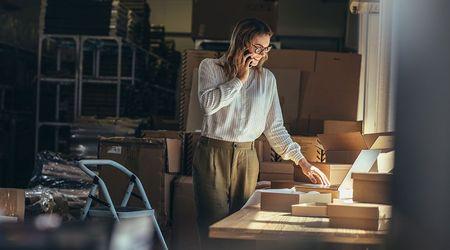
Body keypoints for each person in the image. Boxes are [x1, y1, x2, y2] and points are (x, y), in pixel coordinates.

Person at [192, 18, 330, 249]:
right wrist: (239, 80)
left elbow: (274, 128)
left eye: (266, 49)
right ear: (241, 42)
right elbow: (208, 105)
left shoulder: (267, 80)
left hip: (247, 156)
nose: (261, 54)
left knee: (243, 224)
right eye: (257, 48)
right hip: (213, 152)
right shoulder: (211, 67)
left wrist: (303, 162)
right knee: (212, 224)